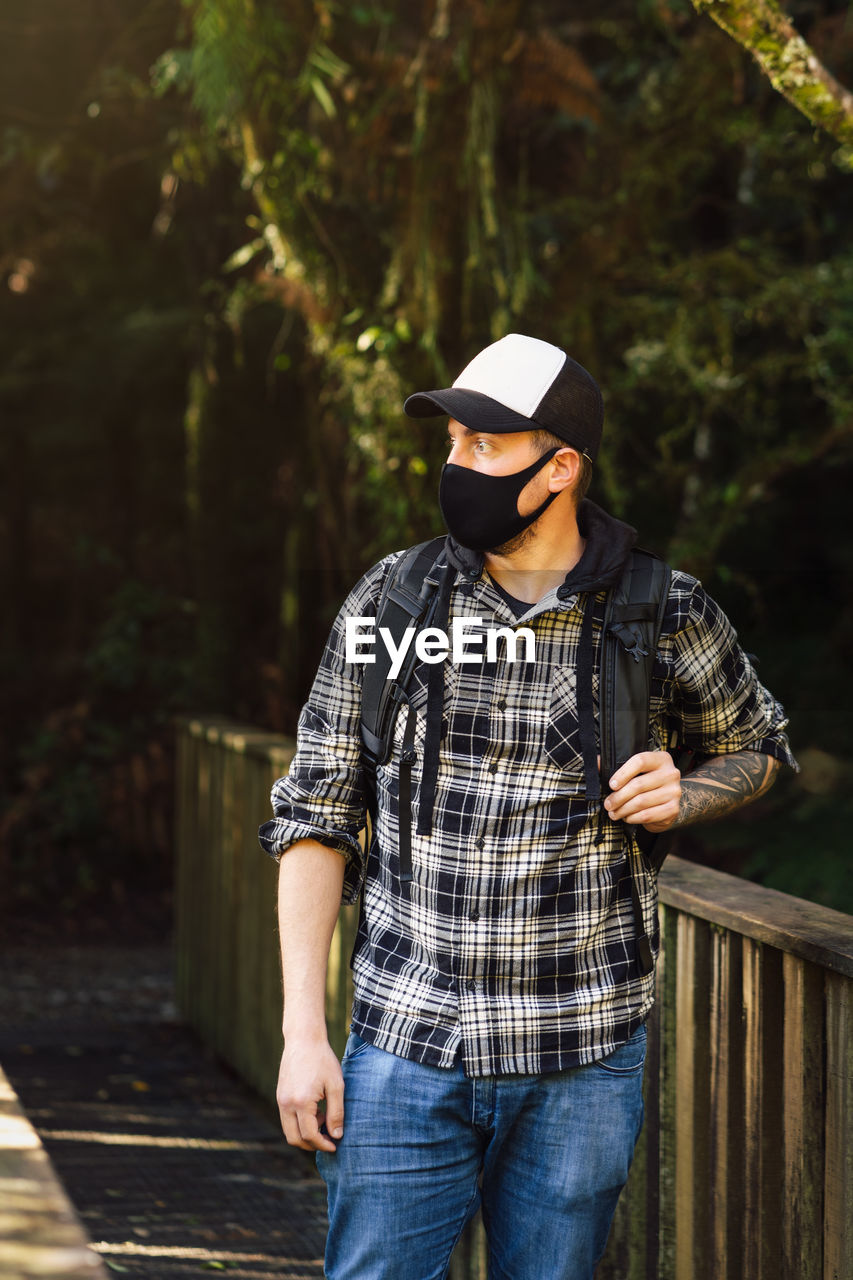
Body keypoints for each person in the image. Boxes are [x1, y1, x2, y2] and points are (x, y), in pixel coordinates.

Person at [259, 334, 797, 1280]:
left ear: (561, 468)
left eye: (484, 445)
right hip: (403, 1048)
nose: (456, 465)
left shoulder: (659, 612)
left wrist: (688, 790)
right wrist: (305, 1036)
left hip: (582, 1059)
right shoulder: (393, 604)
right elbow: (315, 813)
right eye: (454, 442)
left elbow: (759, 746)